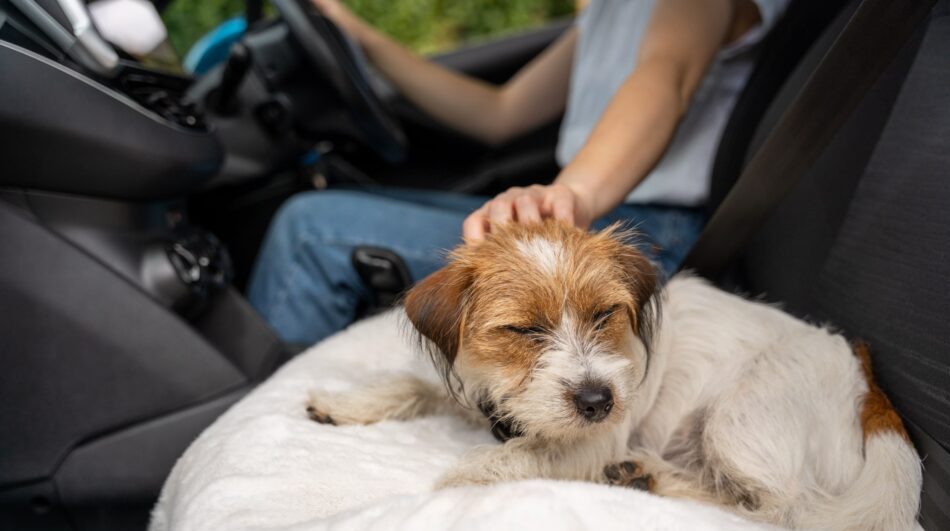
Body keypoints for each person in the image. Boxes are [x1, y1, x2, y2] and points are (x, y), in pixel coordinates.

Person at [248, 0, 789, 345]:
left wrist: (573, 191)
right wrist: (357, 35)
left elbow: (665, 75)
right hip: (593, 216)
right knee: (320, 216)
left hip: (638, 232)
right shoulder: (609, 10)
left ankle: (260, 440)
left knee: (309, 232)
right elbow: (500, 112)